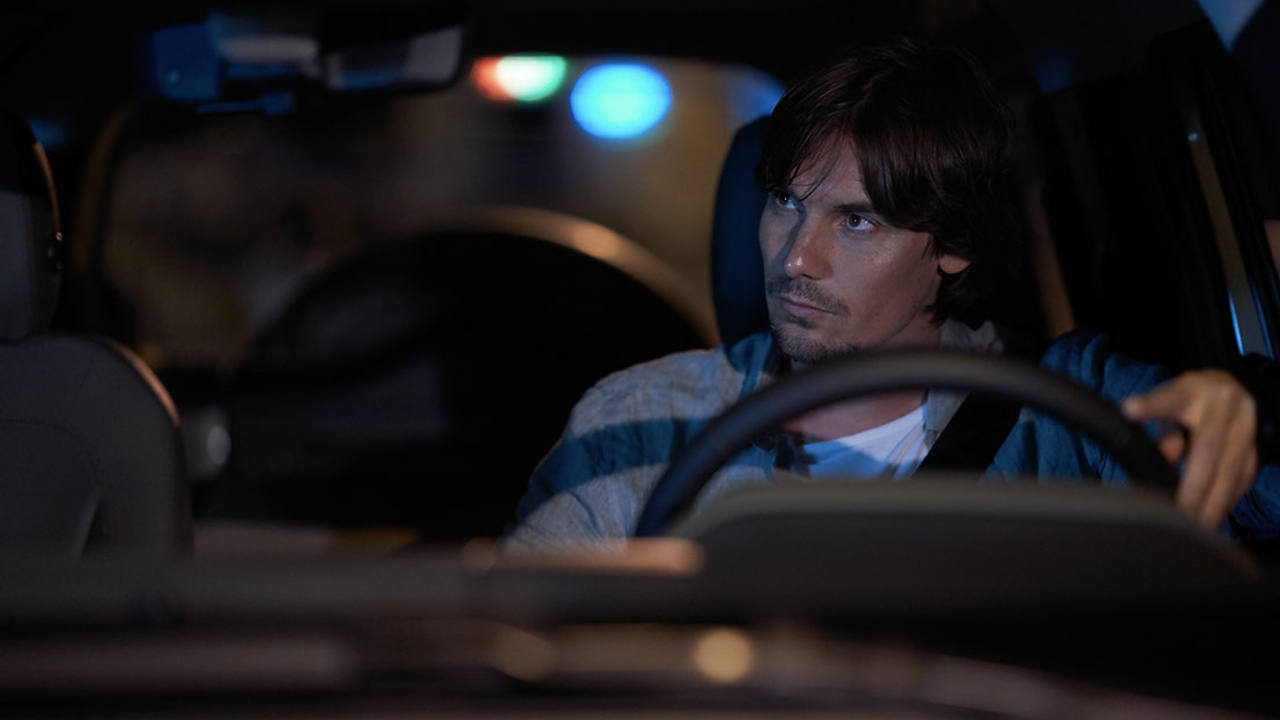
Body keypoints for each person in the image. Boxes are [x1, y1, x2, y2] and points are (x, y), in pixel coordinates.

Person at [505, 37, 1280, 549]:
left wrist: (1248, 410)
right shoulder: (641, 421)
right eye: (785, 203)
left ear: (952, 247)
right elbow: (524, 651)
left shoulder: (1074, 413)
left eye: (858, 222)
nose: (796, 259)